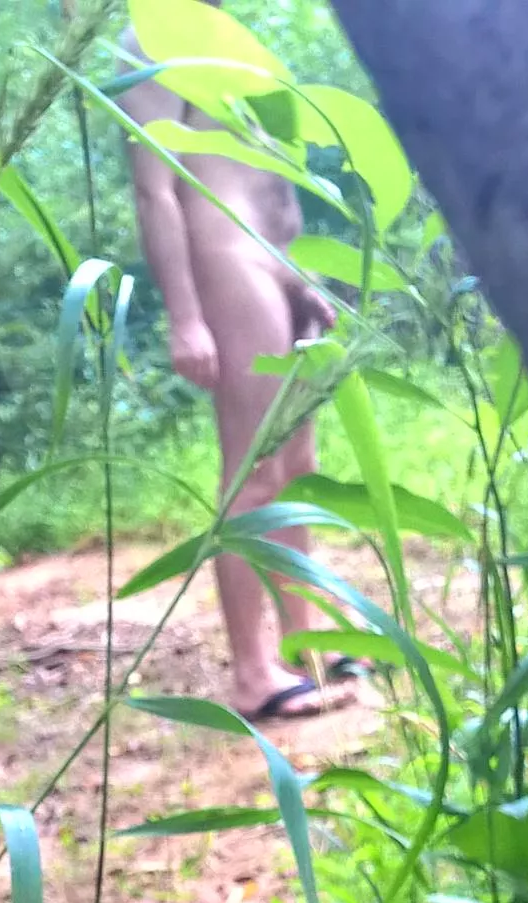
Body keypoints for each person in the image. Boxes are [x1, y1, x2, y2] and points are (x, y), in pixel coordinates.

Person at [121, 11, 357, 723]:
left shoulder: (221, 32)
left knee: (298, 464)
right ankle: (252, 673)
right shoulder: (151, 34)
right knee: (254, 470)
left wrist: (302, 275)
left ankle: (303, 634)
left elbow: (264, 166)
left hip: (281, 261)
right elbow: (155, 188)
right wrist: (185, 315)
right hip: (229, 259)